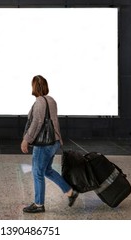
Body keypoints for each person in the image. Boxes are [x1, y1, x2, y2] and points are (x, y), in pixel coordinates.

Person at [21, 75, 78, 213]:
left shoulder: (40, 102)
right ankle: (70, 191)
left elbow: (37, 123)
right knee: (47, 170)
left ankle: (39, 204)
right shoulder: (51, 100)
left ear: (34, 87)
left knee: (37, 172)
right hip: (54, 142)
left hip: (44, 144)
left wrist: (26, 140)